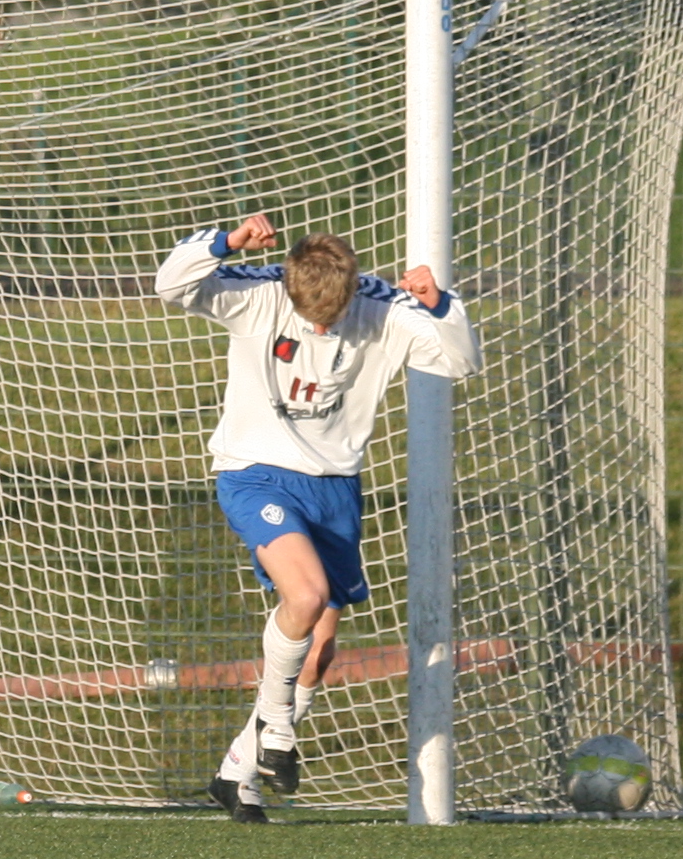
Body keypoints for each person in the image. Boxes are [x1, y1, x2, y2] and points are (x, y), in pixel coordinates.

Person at [156, 211, 481, 821]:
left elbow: (458, 361)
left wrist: (440, 306)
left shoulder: (383, 308)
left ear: (354, 291)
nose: (320, 327)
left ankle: (237, 772)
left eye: (331, 317)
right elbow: (170, 284)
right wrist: (226, 243)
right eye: (309, 316)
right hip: (255, 473)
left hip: (334, 487)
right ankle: (277, 729)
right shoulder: (259, 291)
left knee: (319, 651)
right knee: (305, 597)